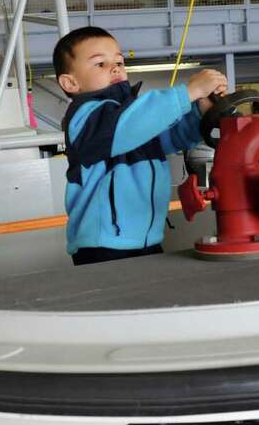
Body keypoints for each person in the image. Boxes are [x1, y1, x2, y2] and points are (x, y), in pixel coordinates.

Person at [55, 26, 227, 265]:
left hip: (146, 239)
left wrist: (200, 111)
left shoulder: (130, 119)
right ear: (71, 83)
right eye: (100, 64)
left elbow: (168, 137)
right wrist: (188, 92)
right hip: (103, 245)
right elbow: (130, 123)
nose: (115, 67)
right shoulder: (85, 118)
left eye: (119, 61)